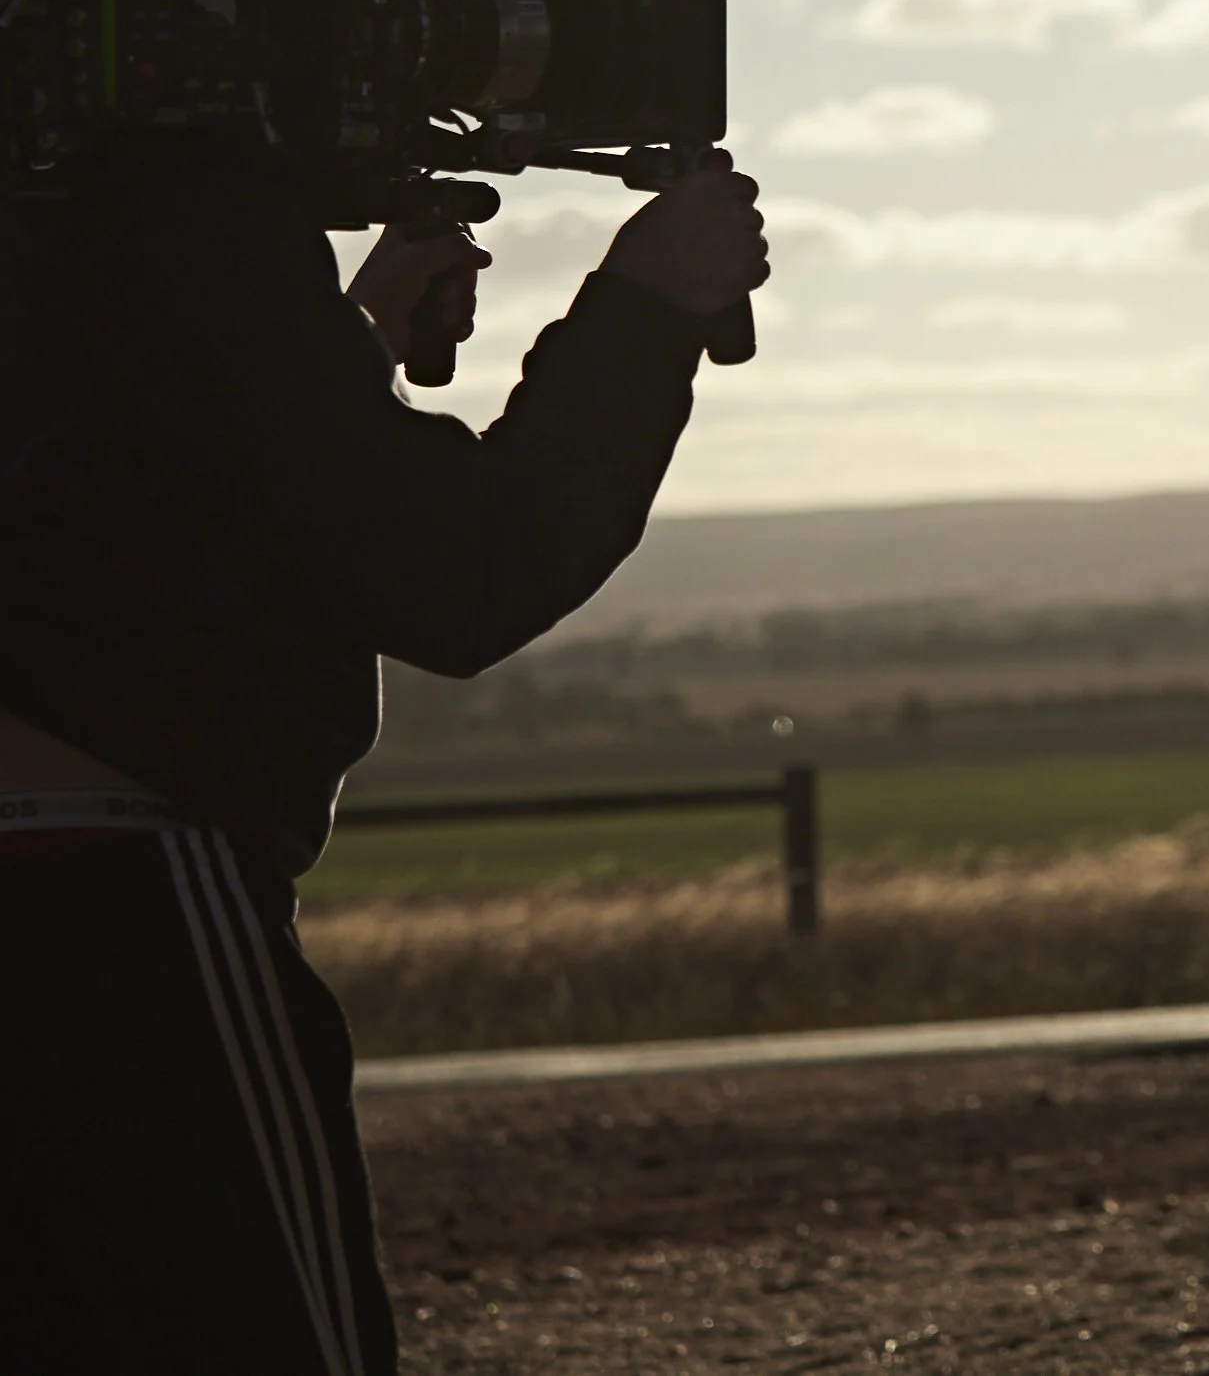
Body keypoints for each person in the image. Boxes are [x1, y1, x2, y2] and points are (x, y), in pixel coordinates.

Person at [0, 132, 768, 1374]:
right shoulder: (190, 207)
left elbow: (108, 506)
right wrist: (649, 306)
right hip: (112, 912)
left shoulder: (59, 221)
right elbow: (456, 577)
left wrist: (346, 349)